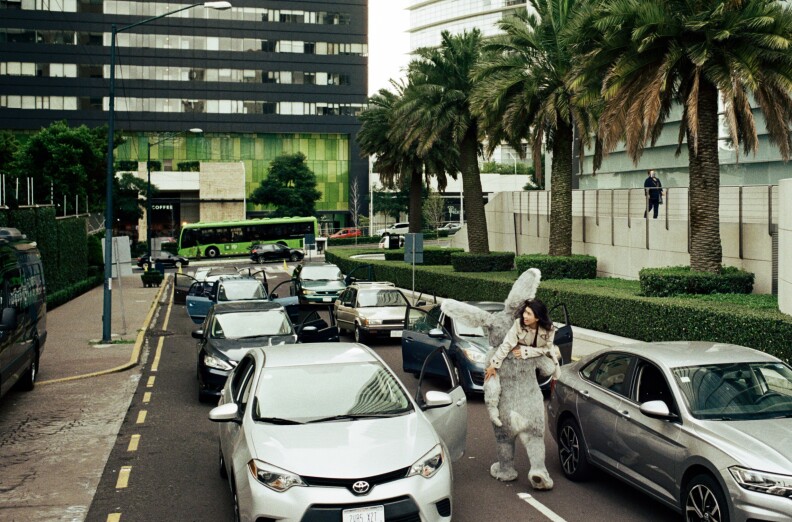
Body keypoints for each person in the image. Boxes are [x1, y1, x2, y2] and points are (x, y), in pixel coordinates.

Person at [483, 299, 561, 427]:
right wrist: (493, 365)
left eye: (529, 314)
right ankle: (493, 409)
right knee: (491, 374)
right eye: (525, 312)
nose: (525, 316)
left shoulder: (549, 329)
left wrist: (527, 351)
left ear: (537, 317)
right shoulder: (519, 324)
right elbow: (507, 344)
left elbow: (547, 348)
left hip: (537, 354)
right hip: (516, 355)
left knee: (550, 370)